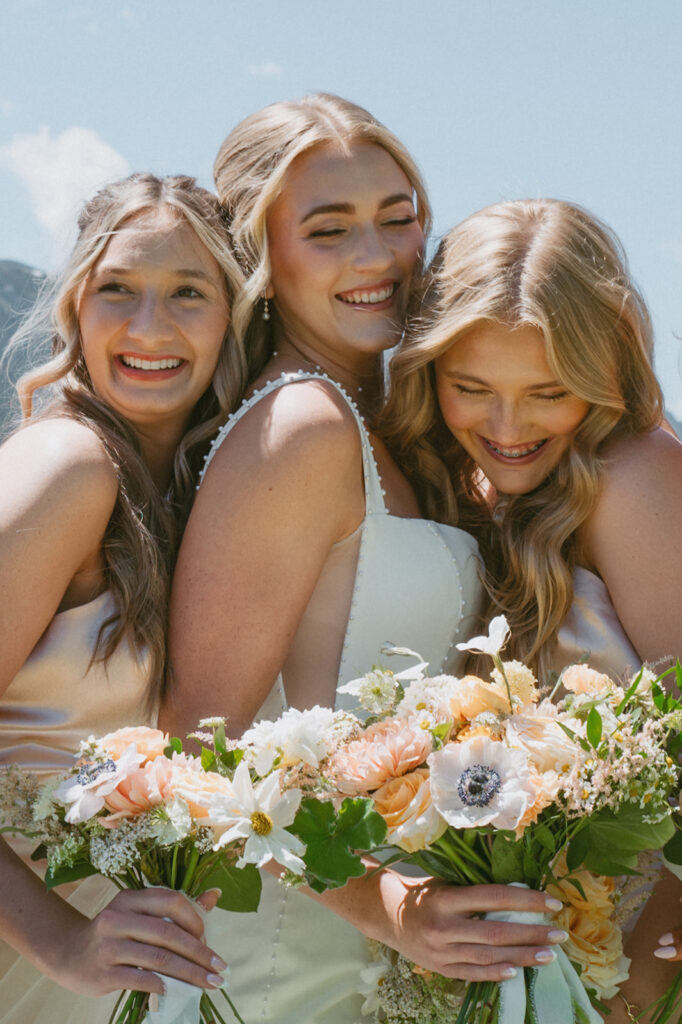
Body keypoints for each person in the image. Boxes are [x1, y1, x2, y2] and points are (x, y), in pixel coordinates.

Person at [162, 95, 572, 1024]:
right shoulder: (302, 427)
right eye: (329, 229)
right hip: (279, 960)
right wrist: (390, 909)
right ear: (262, 260)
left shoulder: (405, 437)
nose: (378, 257)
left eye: (399, 218)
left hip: (400, 961)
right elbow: (198, 742)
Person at [379, 196, 682, 1021]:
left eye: (549, 392)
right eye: (470, 387)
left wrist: (637, 995)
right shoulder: (463, 489)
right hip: (510, 977)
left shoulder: (634, 476)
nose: (507, 427)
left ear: (607, 365)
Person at [0, 172, 249, 1023]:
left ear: (233, 317)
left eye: (188, 292)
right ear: (76, 307)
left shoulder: (195, 497)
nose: (150, 327)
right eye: (118, 291)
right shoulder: (67, 467)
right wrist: (62, 941)